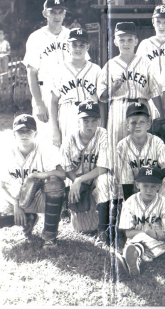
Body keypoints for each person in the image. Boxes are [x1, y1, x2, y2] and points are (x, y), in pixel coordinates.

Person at [0, 114, 66, 249]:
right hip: (14, 199)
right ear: (14, 134)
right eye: (20, 131)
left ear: (35, 133)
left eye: (28, 131)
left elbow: (62, 174)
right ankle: (28, 219)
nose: (24, 135)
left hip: (38, 198)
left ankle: (50, 237)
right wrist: (15, 203)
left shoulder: (44, 150)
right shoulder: (6, 153)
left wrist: (41, 175)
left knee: (55, 184)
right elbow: (1, 186)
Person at [97, 22, 164, 161]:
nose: (125, 43)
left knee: (142, 151)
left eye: (129, 39)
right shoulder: (110, 65)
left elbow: (156, 92)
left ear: (136, 41)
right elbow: (102, 96)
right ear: (115, 41)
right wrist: (113, 88)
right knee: (116, 150)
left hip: (142, 106)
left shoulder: (146, 63)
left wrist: (162, 117)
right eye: (121, 39)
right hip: (119, 107)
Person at [61, 101, 115, 238]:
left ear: (99, 121)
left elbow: (103, 168)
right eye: (85, 121)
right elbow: (66, 167)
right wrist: (76, 181)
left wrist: (79, 179)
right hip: (77, 184)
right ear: (78, 121)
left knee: (106, 180)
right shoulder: (69, 139)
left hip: (95, 180)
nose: (90, 125)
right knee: (82, 228)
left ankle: (103, 230)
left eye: (93, 121)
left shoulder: (103, 135)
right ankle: (65, 213)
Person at [117, 166, 165, 276]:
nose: (149, 190)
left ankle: (126, 259)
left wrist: (155, 235)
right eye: (145, 185)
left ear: (159, 187)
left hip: (157, 241)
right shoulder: (130, 203)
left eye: (153, 186)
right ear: (137, 185)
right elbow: (128, 233)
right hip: (134, 238)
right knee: (140, 247)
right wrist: (145, 232)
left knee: (141, 246)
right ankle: (135, 259)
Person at [23, 0, 70, 139]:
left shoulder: (71, 35)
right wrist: (38, 103)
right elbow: (31, 73)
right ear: (45, 14)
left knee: (69, 138)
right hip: (46, 92)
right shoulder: (36, 37)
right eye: (53, 12)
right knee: (46, 139)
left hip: (68, 91)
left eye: (60, 12)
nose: (57, 16)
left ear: (64, 14)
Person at [115, 102, 165, 203]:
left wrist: (150, 175)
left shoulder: (157, 142)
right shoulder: (122, 146)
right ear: (127, 126)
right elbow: (126, 183)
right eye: (133, 123)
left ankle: (160, 214)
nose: (138, 126)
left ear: (148, 125)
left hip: (156, 189)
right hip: (135, 191)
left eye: (142, 122)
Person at [49, 28, 102, 147]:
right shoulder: (59, 70)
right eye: (74, 45)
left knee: (90, 152)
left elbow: (101, 101)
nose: (78, 49)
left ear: (87, 47)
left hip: (90, 115)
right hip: (68, 112)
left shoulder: (96, 70)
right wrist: (54, 129)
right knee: (69, 153)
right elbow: (53, 101)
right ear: (68, 46)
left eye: (82, 45)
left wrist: (101, 125)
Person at [136, 5, 165, 119]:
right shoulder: (145, 45)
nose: (161, 26)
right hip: (152, 99)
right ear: (153, 22)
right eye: (158, 22)